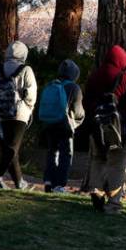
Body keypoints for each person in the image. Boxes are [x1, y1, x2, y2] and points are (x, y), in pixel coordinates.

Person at [84, 44, 126, 214]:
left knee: (97, 159)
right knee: (117, 164)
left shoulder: (94, 77)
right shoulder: (125, 79)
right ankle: (114, 204)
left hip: (96, 127)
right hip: (120, 129)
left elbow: (86, 102)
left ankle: (96, 189)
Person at [0, 41, 37, 190]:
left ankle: (19, 182)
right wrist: (30, 108)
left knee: (11, 147)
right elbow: (31, 93)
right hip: (19, 112)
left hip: (3, 112)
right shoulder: (26, 69)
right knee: (12, 148)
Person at [40, 59, 85, 193]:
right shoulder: (74, 88)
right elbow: (78, 111)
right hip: (65, 124)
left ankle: (48, 181)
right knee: (66, 154)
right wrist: (79, 120)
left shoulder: (52, 84)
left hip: (49, 123)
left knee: (52, 152)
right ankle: (59, 184)